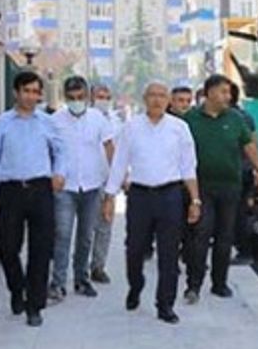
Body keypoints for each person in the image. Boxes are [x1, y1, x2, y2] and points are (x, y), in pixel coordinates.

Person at [102, 81, 199, 324]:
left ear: (168, 101)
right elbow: (120, 163)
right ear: (144, 99)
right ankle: (135, 286)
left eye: (161, 96)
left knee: (168, 253)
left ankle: (165, 304)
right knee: (134, 249)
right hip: (140, 196)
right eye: (152, 95)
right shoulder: (131, 128)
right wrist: (109, 197)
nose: (157, 100)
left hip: (170, 196)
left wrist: (195, 200)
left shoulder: (179, 128)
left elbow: (189, 167)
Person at [0, 72, 65, 327]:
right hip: (11, 190)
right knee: (6, 245)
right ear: (16, 92)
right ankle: (18, 289)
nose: (31, 96)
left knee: (41, 248)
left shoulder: (47, 122)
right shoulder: (3, 122)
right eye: (26, 91)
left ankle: (34, 305)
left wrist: (60, 172)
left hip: (41, 189)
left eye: (36, 92)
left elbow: (62, 151)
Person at [182, 74, 258, 303]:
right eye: (223, 92)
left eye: (229, 92)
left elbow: (249, 145)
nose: (227, 97)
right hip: (201, 188)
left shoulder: (235, 118)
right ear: (209, 92)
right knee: (201, 235)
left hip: (230, 187)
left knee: (225, 237)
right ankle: (193, 285)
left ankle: (220, 284)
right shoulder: (190, 119)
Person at [49, 76, 114, 302]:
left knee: (86, 236)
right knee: (63, 235)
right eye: (71, 98)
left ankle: (81, 279)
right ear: (65, 98)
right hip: (65, 187)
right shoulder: (55, 120)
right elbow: (48, 149)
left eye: (80, 97)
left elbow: (109, 147)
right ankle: (57, 283)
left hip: (92, 186)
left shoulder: (98, 119)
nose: (76, 101)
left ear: (87, 96)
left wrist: (114, 182)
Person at [89, 84, 123, 284]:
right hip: (86, 179)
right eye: (100, 96)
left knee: (105, 224)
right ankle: (80, 266)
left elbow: (120, 150)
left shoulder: (116, 121)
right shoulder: (85, 119)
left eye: (107, 96)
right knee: (85, 226)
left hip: (108, 179)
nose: (103, 100)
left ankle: (98, 266)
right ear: (91, 98)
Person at [229, 81, 258, 264]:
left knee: (235, 214)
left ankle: (244, 251)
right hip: (245, 169)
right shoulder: (246, 116)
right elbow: (255, 143)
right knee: (241, 212)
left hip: (235, 172)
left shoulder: (230, 117)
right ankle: (244, 249)